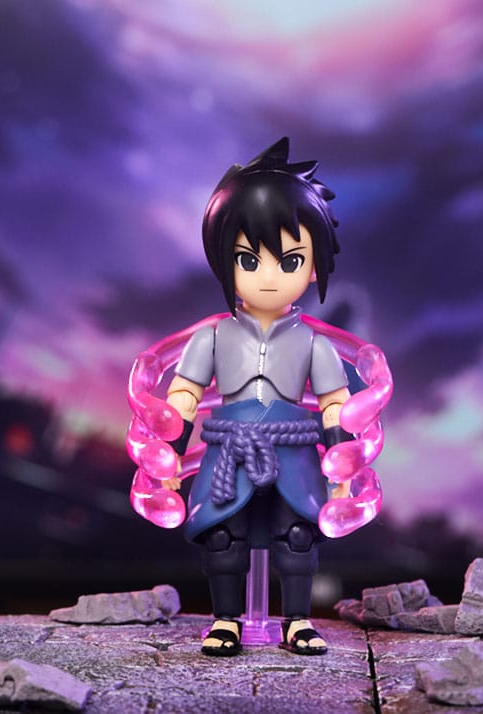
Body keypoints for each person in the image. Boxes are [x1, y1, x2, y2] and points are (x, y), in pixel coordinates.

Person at [164, 138, 354, 656]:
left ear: (312, 267)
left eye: (289, 260)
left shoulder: (314, 344)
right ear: (224, 263)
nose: (268, 277)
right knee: (223, 535)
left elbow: (335, 405)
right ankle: (226, 620)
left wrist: (342, 468)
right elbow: (184, 396)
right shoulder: (211, 338)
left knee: (297, 536)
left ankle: (297, 620)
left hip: (294, 452)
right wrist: (170, 454)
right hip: (229, 449)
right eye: (249, 259)